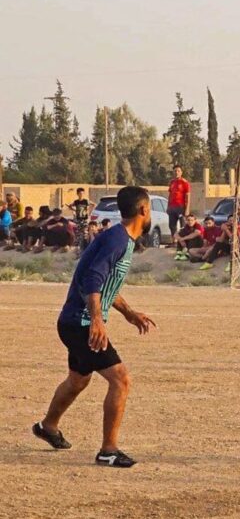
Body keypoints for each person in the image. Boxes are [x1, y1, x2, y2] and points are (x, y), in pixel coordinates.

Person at [32, 185, 156, 468]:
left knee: (78, 379)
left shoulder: (119, 238)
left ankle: (47, 427)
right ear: (143, 210)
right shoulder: (117, 240)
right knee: (120, 379)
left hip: (75, 321)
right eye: (149, 209)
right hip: (81, 323)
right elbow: (92, 280)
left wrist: (129, 312)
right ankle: (108, 451)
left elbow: (105, 284)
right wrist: (97, 320)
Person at [167, 165, 191, 240]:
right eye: (175, 171)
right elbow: (170, 195)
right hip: (172, 208)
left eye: (178, 171)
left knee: (182, 225)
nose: (176, 172)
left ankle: (183, 241)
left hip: (180, 207)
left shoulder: (185, 182)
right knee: (172, 225)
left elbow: (188, 196)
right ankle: (174, 242)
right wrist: (168, 207)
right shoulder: (172, 182)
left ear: (181, 172)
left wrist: (187, 209)